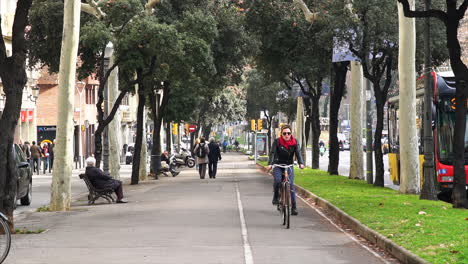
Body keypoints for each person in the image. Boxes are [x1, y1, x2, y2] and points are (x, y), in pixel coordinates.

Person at [267, 124, 305, 216]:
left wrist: (301, 163)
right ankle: (276, 197)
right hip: (278, 165)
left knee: (291, 185)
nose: (286, 135)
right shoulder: (277, 142)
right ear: (281, 134)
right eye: (284, 133)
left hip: (289, 166)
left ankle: (294, 207)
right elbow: (272, 153)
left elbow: (298, 153)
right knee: (278, 180)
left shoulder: (295, 142)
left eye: (288, 133)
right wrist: (270, 164)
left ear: (291, 133)